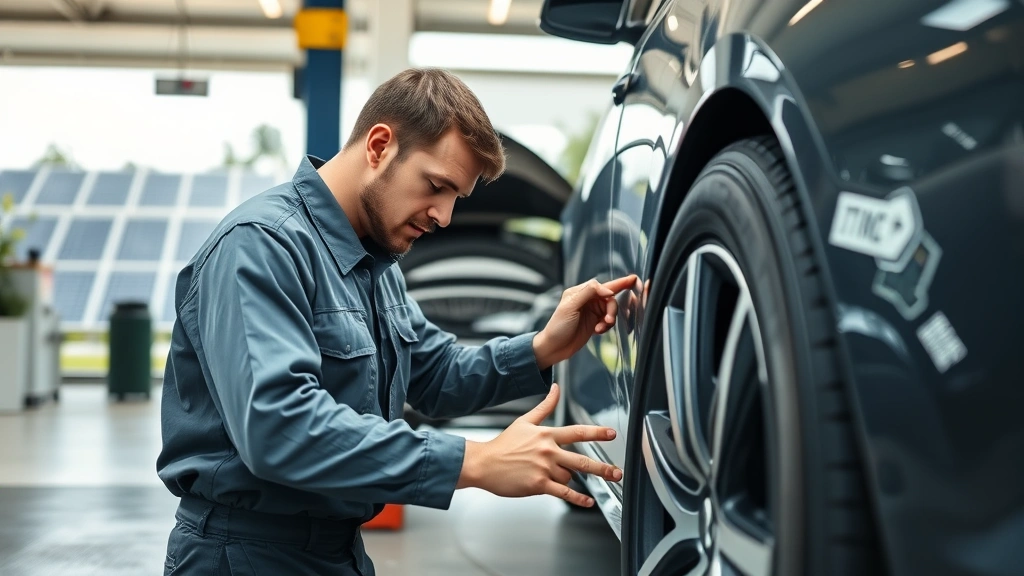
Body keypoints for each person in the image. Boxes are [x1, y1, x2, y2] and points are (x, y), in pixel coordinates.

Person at [156, 67, 636, 576]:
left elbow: (433, 374)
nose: (444, 217)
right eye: (436, 186)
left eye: (456, 198)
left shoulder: (376, 263)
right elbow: (279, 427)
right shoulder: (261, 245)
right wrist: (474, 462)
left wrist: (542, 347)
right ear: (380, 145)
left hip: (335, 550)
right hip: (247, 555)